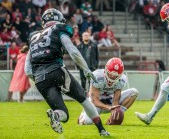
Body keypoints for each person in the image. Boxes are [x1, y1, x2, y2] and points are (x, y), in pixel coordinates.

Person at [24, 8, 110, 136]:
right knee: (84, 99)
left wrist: (39, 77)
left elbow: (27, 69)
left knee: (63, 113)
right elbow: (73, 51)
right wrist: (86, 69)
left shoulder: (34, 36)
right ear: (58, 19)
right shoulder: (58, 29)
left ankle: (55, 116)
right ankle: (102, 130)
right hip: (56, 70)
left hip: (39, 79)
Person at [78, 57, 138, 125]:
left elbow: (116, 101)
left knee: (134, 92)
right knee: (86, 122)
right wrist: (109, 108)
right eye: (111, 73)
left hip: (110, 100)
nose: (112, 76)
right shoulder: (97, 76)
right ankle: (83, 115)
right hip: (97, 104)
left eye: (115, 75)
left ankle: (116, 116)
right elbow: (94, 100)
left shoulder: (122, 79)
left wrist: (114, 115)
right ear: (106, 69)